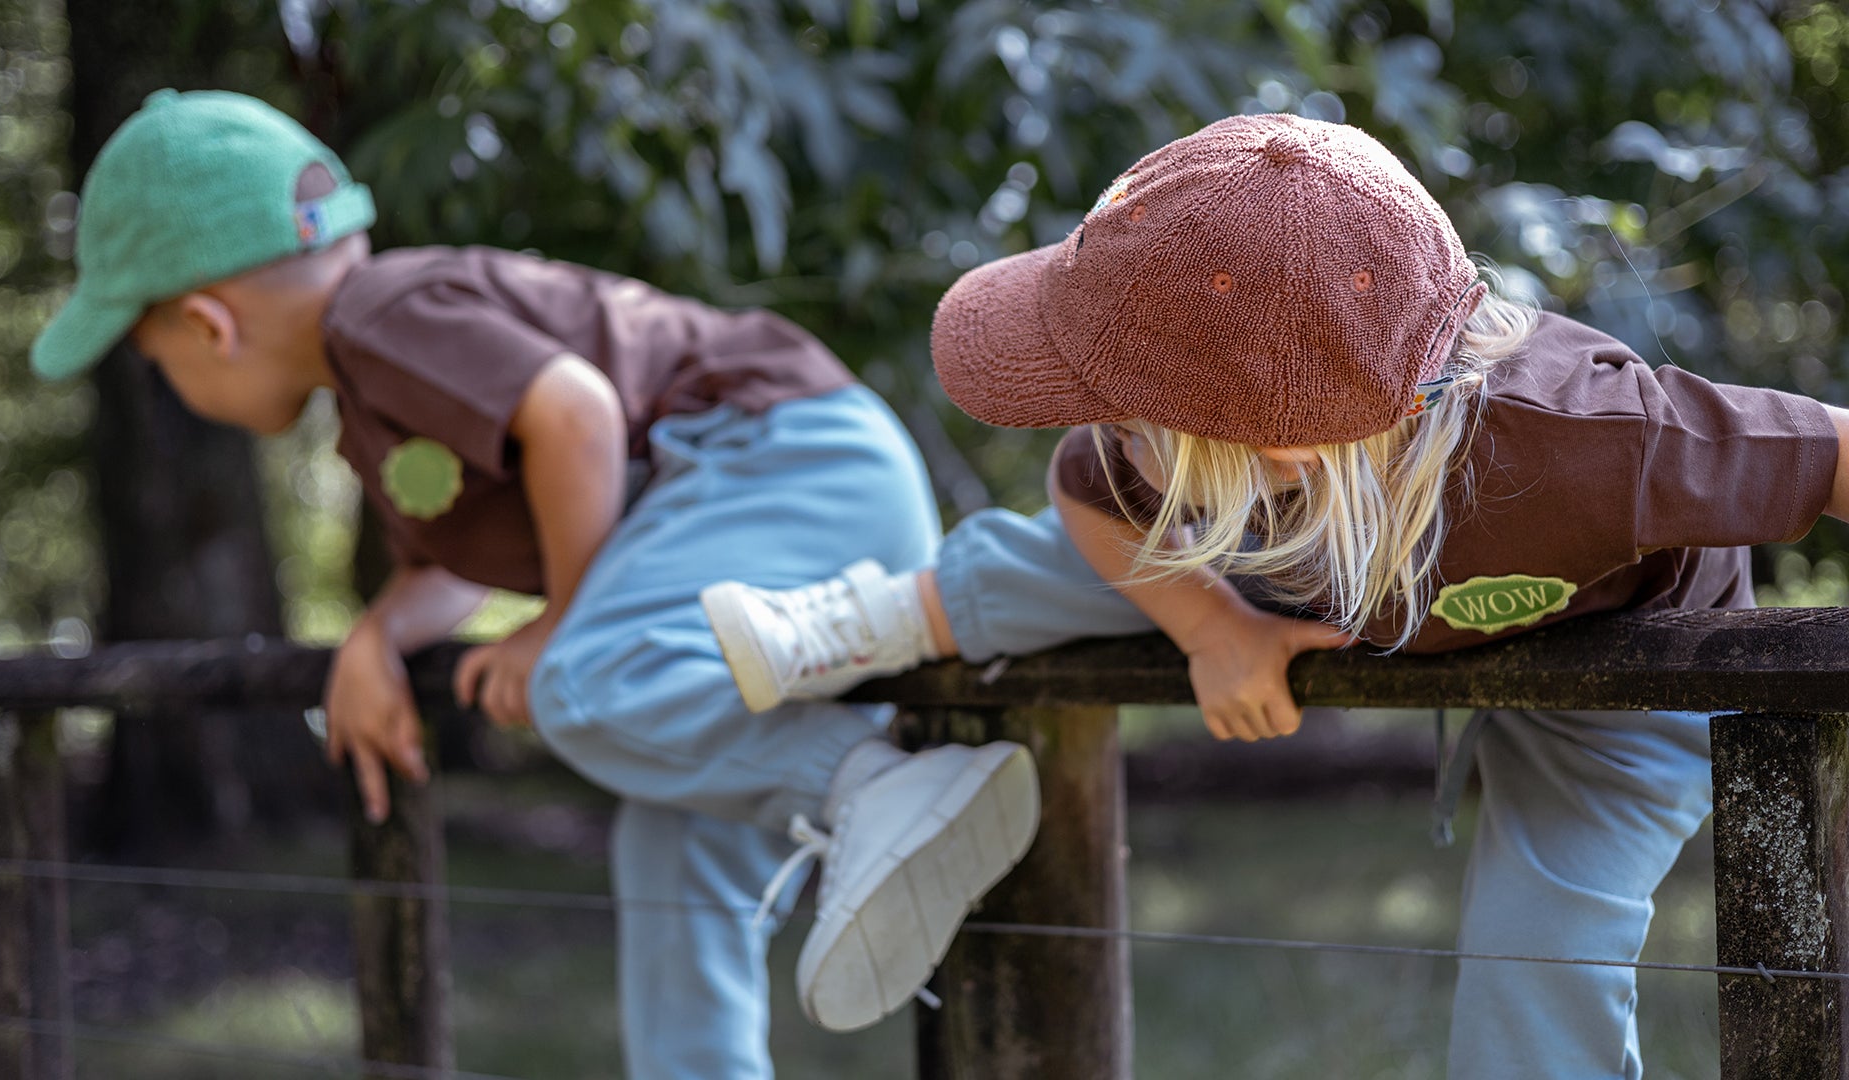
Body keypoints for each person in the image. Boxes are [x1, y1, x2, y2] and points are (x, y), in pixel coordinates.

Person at [701, 112, 1849, 1079]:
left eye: (1131, 415)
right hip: (1323, 560)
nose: (1104, 428)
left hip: (1609, 673)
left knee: (1540, 960)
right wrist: (1214, 632)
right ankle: (881, 615)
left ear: (1273, 449)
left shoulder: (1605, 441)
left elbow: (1832, 453)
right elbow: (1088, 491)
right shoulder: (1180, 459)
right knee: (1102, 546)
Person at [31, 89, 1042, 1079]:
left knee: (582, 681)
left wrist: (563, 620)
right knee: (670, 846)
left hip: (787, 464)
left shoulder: (382, 313)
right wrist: (378, 637)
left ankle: (880, 789)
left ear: (210, 326)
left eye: (154, 361)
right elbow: (449, 569)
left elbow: (577, 416)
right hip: (788, 488)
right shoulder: (373, 399)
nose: (169, 386)